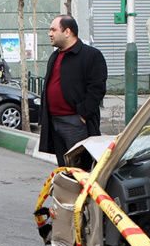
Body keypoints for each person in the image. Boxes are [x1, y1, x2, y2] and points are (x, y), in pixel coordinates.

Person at [38, 15, 107, 165]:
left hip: (75, 123)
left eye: (54, 30)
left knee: (80, 169)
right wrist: (43, 116)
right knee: (64, 168)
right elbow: (48, 87)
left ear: (67, 32)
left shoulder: (91, 56)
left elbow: (97, 89)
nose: (50, 34)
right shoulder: (55, 56)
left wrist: (82, 115)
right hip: (53, 122)